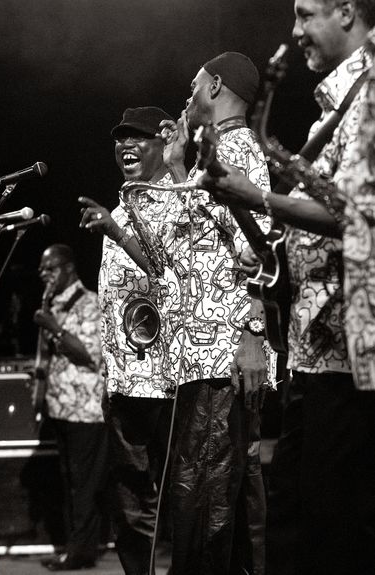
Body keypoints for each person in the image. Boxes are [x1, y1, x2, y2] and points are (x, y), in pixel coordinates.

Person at [198, 2, 375, 574]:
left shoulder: (370, 95)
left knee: (334, 527)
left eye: (305, 14)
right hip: (316, 347)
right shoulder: (337, 105)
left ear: (347, 12)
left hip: (349, 355)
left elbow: (358, 213)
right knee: (297, 523)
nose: (294, 32)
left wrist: (257, 197)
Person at [159, 52, 276, 575]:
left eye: (193, 87)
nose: (186, 99)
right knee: (207, 489)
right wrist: (179, 164)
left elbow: (261, 249)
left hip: (222, 351)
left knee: (207, 490)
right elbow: (197, 241)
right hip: (200, 353)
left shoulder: (239, 150)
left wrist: (252, 335)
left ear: (217, 86)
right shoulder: (217, 150)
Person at [79, 106, 182, 575]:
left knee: (181, 494)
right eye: (120, 139)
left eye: (138, 137)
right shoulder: (118, 208)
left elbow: (176, 280)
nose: (125, 146)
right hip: (123, 381)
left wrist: (118, 233)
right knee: (128, 501)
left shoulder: (180, 200)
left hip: (168, 380)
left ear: (164, 142)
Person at [34, 243, 108, 571]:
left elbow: (88, 353)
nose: (44, 276)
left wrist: (53, 327)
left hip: (86, 410)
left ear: (68, 268)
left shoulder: (89, 303)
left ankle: (81, 553)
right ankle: (73, 548)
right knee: (69, 482)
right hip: (61, 407)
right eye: (41, 270)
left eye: (50, 269)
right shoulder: (54, 304)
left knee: (84, 485)